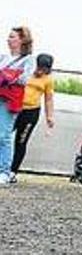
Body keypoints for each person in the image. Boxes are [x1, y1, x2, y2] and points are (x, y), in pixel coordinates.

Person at [0, 26, 37, 184]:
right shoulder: (3, 58)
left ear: (22, 40)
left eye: (13, 37)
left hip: (10, 100)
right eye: (9, 37)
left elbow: (24, 79)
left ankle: (4, 171)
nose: (9, 39)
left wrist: (8, 75)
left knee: (4, 135)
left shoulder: (28, 59)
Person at [10, 52, 55, 176]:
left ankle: (13, 171)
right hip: (15, 109)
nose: (41, 71)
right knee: (4, 137)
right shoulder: (25, 72)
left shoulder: (48, 80)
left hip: (31, 113)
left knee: (21, 141)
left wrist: (49, 117)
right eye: (39, 68)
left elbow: (48, 99)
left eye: (44, 69)